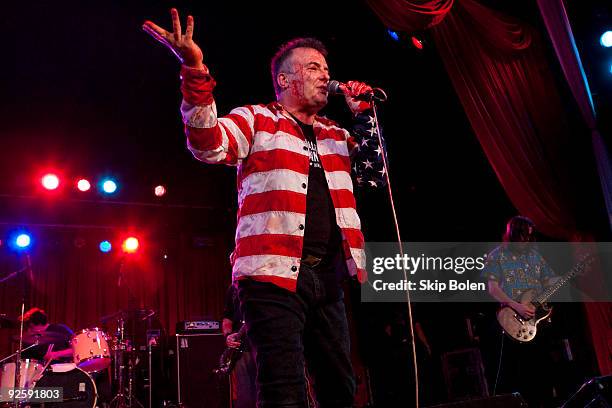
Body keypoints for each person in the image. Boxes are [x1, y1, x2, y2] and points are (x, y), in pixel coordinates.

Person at [143, 9, 386, 407]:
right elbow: (206, 142)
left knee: (340, 387)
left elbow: (374, 176)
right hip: (270, 276)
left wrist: (363, 117)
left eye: (326, 68)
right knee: (283, 387)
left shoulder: (335, 134)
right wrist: (194, 67)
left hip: (327, 277)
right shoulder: (257, 119)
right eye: (313, 68)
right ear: (285, 81)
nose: (325, 75)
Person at [480, 216, 559, 407]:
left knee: (541, 372)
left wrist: (567, 278)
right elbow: (493, 289)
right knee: (513, 375)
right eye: (525, 236)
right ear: (514, 234)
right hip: (511, 321)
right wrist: (517, 306)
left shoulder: (534, 256)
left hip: (534, 322)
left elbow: (549, 281)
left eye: (531, 237)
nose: (528, 241)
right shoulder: (496, 256)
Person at [222, 284, 257, 408]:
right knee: (244, 394)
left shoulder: (261, 283)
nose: (232, 263)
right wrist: (228, 335)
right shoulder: (232, 289)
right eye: (231, 262)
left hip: (261, 346)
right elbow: (227, 318)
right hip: (241, 349)